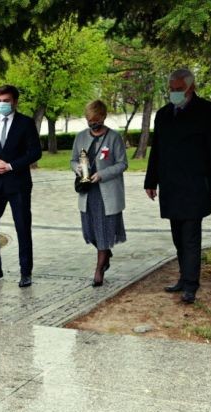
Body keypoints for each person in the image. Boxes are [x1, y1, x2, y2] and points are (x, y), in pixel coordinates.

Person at [144, 68, 211, 304]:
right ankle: (184, 277)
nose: (174, 93)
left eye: (179, 89)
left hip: (195, 186)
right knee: (177, 236)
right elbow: (157, 150)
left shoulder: (209, 112)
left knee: (190, 236)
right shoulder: (163, 114)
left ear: (191, 88)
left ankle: (191, 284)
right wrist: (151, 181)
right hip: (171, 186)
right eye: (171, 89)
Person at [0, 84, 42, 288]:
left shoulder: (26, 123)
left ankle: (25, 272)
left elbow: (35, 152)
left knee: (22, 227)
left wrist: (11, 165)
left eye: (6, 101)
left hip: (18, 184)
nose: (2, 104)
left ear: (14, 101)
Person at [70, 100, 128, 287]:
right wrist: (77, 168)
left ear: (103, 116)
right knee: (89, 232)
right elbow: (73, 160)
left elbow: (122, 164)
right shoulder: (80, 137)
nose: (92, 123)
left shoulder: (114, 137)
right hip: (87, 192)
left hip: (106, 193)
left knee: (103, 231)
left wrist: (102, 174)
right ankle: (106, 252)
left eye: (95, 119)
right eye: (89, 119)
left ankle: (99, 269)